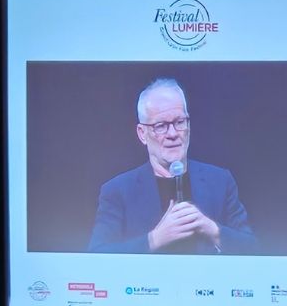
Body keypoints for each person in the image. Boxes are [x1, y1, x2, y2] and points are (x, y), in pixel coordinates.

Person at [87, 78, 256, 255]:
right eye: (161, 126)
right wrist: (155, 239)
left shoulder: (220, 181)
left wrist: (212, 229)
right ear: (142, 134)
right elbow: (97, 255)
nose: (173, 133)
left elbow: (253, 249)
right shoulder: (117, 191)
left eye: (179, 122)